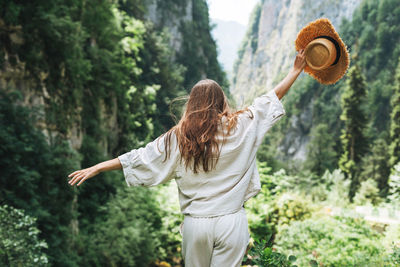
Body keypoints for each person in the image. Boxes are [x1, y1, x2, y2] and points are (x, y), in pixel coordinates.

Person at [68, 49, 307, 267]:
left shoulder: (180, 137)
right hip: (231, 221)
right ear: (221, 100)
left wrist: (100, 167)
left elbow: (141, 157)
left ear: (191, 104)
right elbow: (268, 101)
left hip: (196, 225)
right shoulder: (242, 125)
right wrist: (295, 70)